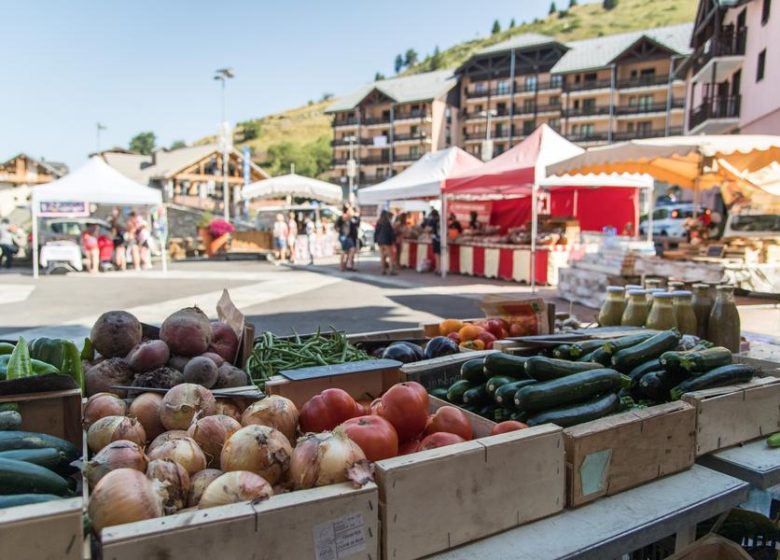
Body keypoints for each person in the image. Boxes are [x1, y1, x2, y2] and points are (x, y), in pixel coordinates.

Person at [335, 204, 360, 271]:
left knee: (346, 251)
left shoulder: (349, 217)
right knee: (349, 249)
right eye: (349, 208)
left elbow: (356, 224)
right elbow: (338, 226)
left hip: (347, 236)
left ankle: (344, 266)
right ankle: (346, 264)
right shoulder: (345, 216)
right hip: (344, 236)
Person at [374, 210, 396, 275]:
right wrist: (393, 240)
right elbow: (390, 233)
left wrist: (376, 240)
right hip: (387, 240)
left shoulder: (379, 222)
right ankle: (391, 270)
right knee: (390, 256)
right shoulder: (387, 222)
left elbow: (376, 232)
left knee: (382, 256)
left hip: (380, 241)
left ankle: (383, 270)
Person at [424, 208, 441, 274]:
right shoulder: (441, 220)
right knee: (439, 254)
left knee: (437, 254)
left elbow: (427, 229)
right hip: (441, 238)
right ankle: (438, 268)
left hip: (436, 239)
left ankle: (438, 269)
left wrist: (428, 233)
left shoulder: (433, 220)